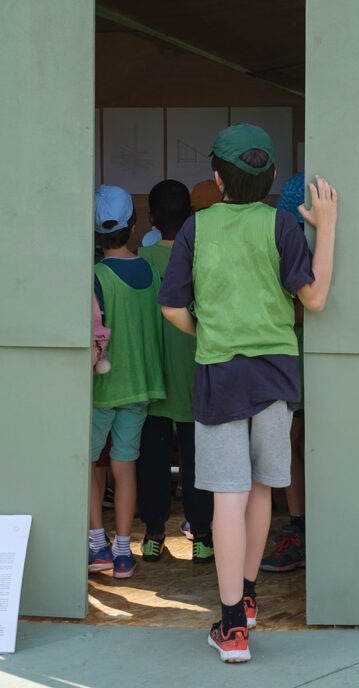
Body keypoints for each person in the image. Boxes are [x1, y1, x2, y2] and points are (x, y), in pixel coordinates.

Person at [158, 124, 337, 663]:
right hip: (276, 376)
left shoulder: (196, 227)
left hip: (220, 375)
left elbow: (172, 307)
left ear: (216, 178)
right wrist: (325, 228)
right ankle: (250, 597)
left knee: (226, 499)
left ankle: (232, 625)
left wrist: (211, 333)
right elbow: (317, 299)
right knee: (262, 490)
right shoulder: (283, 226)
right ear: (274, 177)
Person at [88, 185, 165, 579]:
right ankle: (122, 552)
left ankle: (96, 546)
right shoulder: (151, 271)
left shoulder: (96, 276)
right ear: (134, 225)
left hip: (101, 390)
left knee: (89, 464)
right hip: (140, 388)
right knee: (124, 467)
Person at [137, 180, 215, 564]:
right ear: (190, 216)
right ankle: (202, 538)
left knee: (151, 460)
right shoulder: (200, 257)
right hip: (195, 375)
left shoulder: (140, 260)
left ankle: (153, 536)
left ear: (150, 218)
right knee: (197, 459)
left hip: (152, 379)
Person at [261, 172, 307, 573]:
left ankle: (301, 529)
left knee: (292, 445)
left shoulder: (290, 244)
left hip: (294, 362)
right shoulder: (316, 244)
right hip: (299, 364)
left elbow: (302, 306)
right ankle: (301, 529)